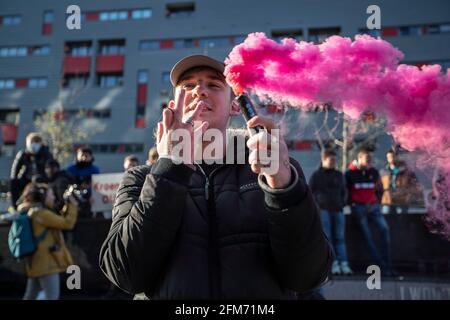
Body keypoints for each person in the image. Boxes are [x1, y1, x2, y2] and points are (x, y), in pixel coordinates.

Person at [99, 54, 331, 299]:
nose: (199, 90)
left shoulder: (274, 170)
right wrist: (170, 168)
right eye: (188, 86)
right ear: (173, 106)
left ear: (234, 105)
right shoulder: (140, 179)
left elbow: (308, 275)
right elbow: (126, 275)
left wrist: (284, 190)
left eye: (214, 84)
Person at [18, 182, 78, 300]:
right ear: (42, 197)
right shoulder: (41, 213)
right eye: (51, 195)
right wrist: (73, 206)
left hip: (35, 260)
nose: (54, 197)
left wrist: (66, 206)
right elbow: (67, 223)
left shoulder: (32, 211)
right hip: (46, 262)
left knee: (31, 295)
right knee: (51, 296)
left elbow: (57, 220)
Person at [345, 148, 394, 276]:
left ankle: (387, 264)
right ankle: (381, 265)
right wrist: (352, 204)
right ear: (359, 158)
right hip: (359, 207)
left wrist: (376, 202)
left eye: (370, 160)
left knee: (384, 229)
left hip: (373, 206)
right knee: (367, 236)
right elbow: (346, 191)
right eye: (367, 160)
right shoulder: (350, 173)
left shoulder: (373, 171)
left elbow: (379, 188)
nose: (369, 163)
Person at [309, 149, 353, 275]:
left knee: (340, 238)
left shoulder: (339, 175)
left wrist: (342, 203)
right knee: (328, 237)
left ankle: (344, 263)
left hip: (338, 210)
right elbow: (311, 192)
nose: (333, 162)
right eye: (331, 160)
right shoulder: (316, 175)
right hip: (324, 210)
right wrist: (318, 205)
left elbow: (345, 191)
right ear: (323, 160)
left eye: (334, 160)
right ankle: (333, 263)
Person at [10, 133, 53, 208]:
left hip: (41, 179)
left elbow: (50, 169)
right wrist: (14, 179)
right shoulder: (23, 154)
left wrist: (43, 178)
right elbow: (15, 169)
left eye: (36, 143)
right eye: (32, 143)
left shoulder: (46, 154)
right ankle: (16, 206)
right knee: (14, 182)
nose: (34, 145)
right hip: (26, 179)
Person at [66, 146, 100, 218]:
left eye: (86, 156)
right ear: (77, 156)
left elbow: (96, 186)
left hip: (90, 200)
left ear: (91, 157)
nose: (84, 158)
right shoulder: (70, 169)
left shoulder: (95, 170)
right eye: (82, 155)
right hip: (73, 200)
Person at [380, 149, 400, 214]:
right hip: (387, 197)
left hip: (399, 198)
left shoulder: (402, 169)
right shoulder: (384, 171)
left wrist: (394, 168)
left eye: (392, 157)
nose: (391, 159)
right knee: (386, 213)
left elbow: (399, 173)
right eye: (389, 157)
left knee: (400, 216)